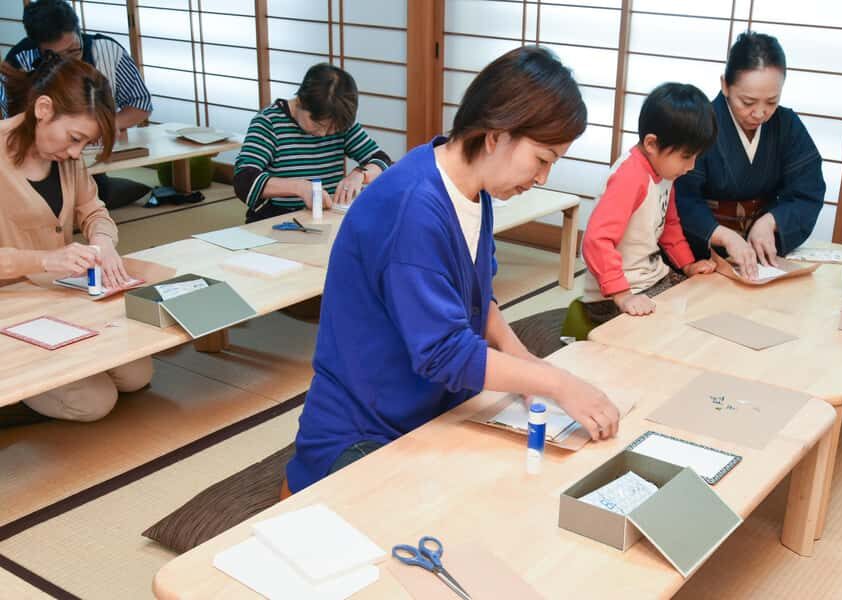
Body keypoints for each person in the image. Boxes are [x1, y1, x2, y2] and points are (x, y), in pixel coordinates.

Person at [282, 46, 620, 497]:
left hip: (431, 405)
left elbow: (480, 303)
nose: (542, 178)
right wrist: (558, 383)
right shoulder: (413, 208)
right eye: (542, 159)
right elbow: (445, 353)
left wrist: (530, 366)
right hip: (367, 427)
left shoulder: (468, 186)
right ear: (498, 134)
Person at [0, 54, 152, 425]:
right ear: (44, 108)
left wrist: (103, 242)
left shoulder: (67, 157)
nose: (73, 153)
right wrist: (43, 261)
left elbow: (95, 211)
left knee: (137, 375)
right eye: (74, 139)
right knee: (95, 401)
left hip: (60, 295)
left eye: (83, 144)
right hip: (10, 302)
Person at [675, 31, 825, 280]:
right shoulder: (700, 123)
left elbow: (807, 190)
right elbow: (682, 198)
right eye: (748, 101)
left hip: (760, 251)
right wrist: (722, 234)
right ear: (725, 85)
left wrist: (771, 221)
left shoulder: (786, 125)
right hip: (703, 254)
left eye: (771, 101)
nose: (760, 113)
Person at [580, 83, 717, 323]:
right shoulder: (630, 177)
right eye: (686, 156)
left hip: (651, 280)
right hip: (614, 294)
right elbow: (596, 240)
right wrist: (622, 295)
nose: (691, 166)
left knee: (705, 303)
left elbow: (670, 227)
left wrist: (688, 265)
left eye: (696, 157)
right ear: (652, 144)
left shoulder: (665, 172)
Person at [234, 63, 391, 224]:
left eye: (333, 129)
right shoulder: (269, 123)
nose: (324, 133)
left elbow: (381, 160)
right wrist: (299, 187)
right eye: (318, 125)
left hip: (325, 220)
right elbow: (244, 181)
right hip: (276, 220)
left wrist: (360, 174)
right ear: (301, 101)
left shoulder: (338, 121)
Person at [1, 0, 153, 130]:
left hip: (101, 150)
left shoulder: (107, 50)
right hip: (44, 154)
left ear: (78, 30)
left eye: (73, 50)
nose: (69, 62)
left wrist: (103, 128)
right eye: (55, 57)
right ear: (38, 46)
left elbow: (141, 103)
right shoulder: (18, 62)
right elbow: (12, 122)